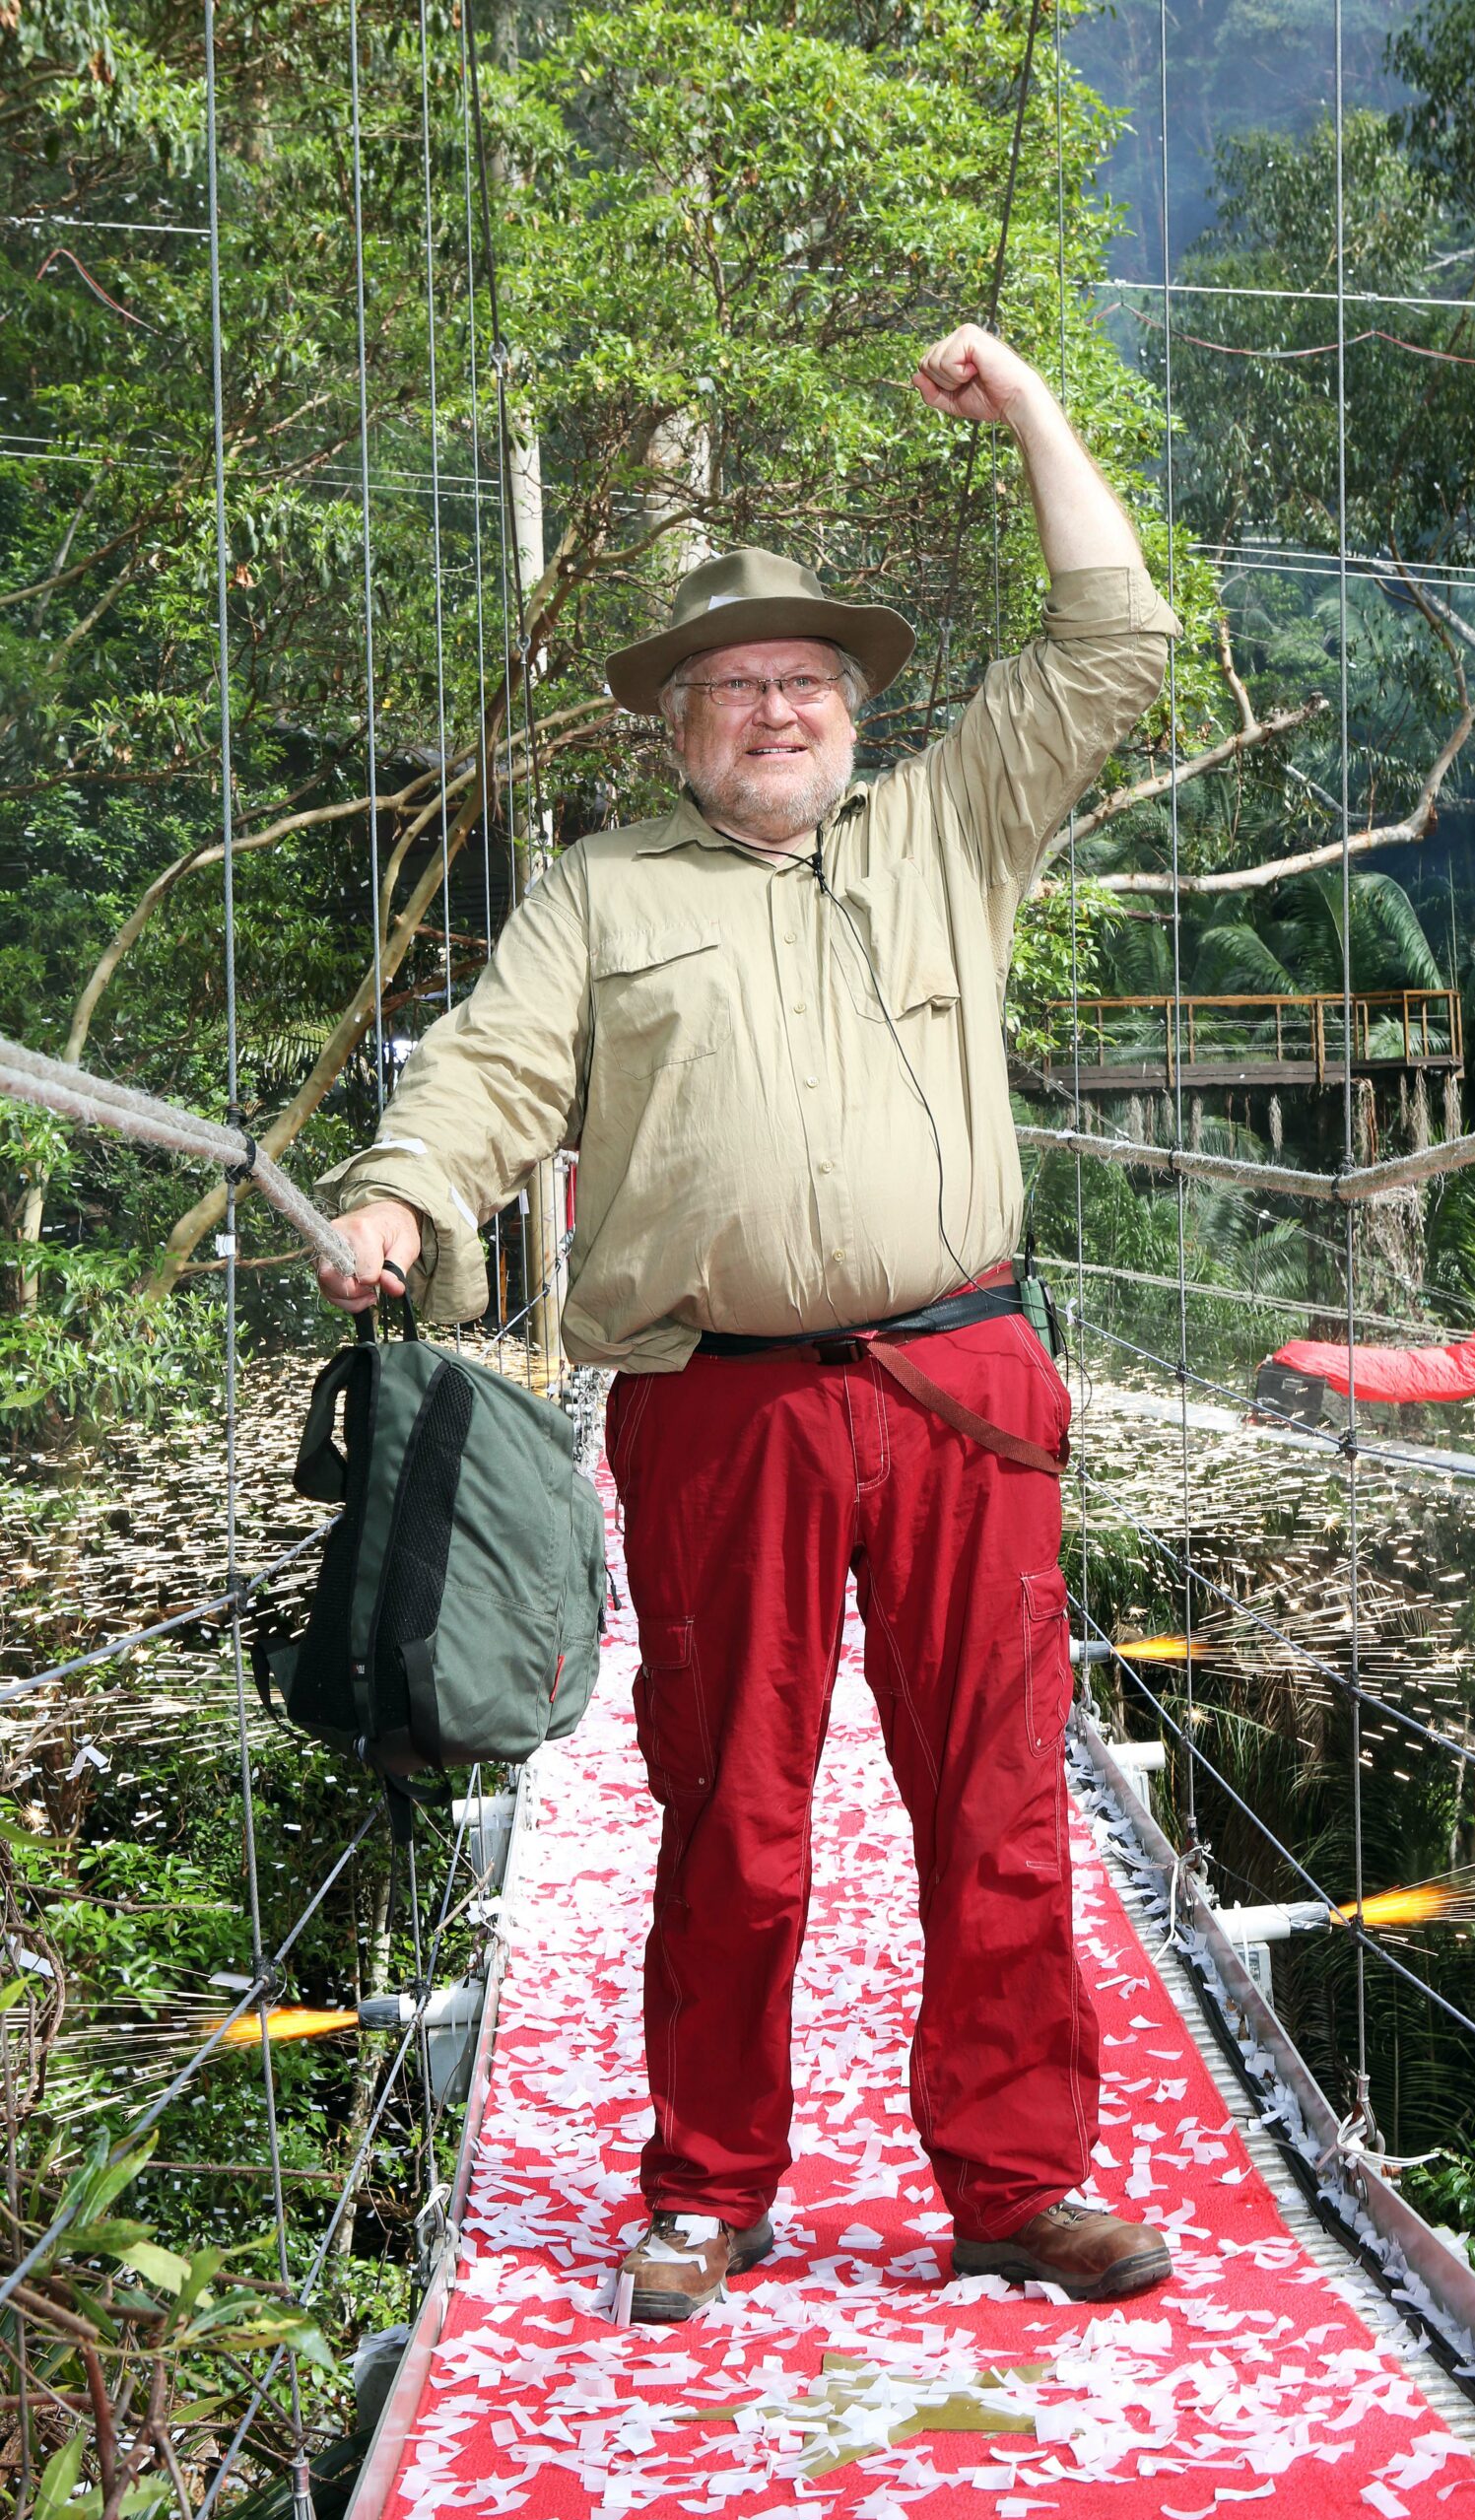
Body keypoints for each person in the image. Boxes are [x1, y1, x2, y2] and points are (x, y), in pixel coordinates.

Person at [316, 323, 1180, 2322]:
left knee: (996, 1793)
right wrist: (397, 1188)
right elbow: (483, 1076)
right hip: (714, 1408)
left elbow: (1112, 634)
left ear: (857, 708)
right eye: (734, 686)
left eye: (805, 679)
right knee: (729, 1808)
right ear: (676, 725)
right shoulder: (602, 894)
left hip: (961, 1380)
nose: (774, 708)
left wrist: (1031, 401)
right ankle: (706, 2182)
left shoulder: (952, 827)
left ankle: (1015, 2176)